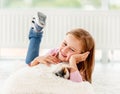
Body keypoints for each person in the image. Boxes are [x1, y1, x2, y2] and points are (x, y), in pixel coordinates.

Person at [25, 12, 95, 83]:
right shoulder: (55, 52)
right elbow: (31, 69)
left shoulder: (81, 68)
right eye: (65, 44)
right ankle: (36, 32)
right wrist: (36, 60)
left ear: (82, 55)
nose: (64, 50)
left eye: (72, 49)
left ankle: (36, 32)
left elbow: (77, 85)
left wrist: (72, 60)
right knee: (29, 61)